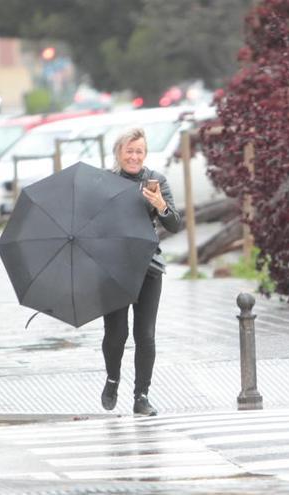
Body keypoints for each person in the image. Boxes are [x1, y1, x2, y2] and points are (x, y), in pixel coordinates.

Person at [100, 127, 181, 416]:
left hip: (148, 267)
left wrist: (160, 205)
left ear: (145, 154)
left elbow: (175, 225)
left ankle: (141, 396)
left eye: (139, 151)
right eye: (129, 151)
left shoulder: (155, 181)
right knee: (116, 333)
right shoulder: (105, 182)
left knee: (145, 334)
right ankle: (112, 379)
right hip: (114, 269)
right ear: (119, 154)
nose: (134, 156)